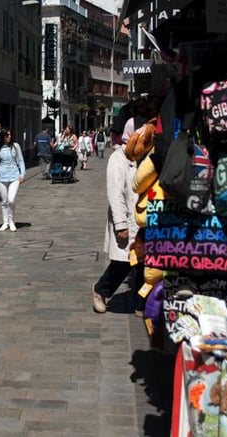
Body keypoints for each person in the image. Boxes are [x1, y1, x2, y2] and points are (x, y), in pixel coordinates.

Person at [92, 123, 138, 314]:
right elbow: (115, 193)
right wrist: (121, 224)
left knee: (142, 262)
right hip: (127, 218)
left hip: (143, 218)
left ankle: (142, 304)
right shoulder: (118, 158)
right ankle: (100, 290)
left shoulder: (145, 156)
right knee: (123, 263)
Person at [0, 128, 26, 231]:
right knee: (4, 201)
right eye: (7, 135)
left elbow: (21, 160)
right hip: (2, 176)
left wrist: (22, 174)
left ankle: (11, 221)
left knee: (11, 200)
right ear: (2, 137)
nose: (9, 137)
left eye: (10, 135)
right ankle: (5, 222)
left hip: (14, 175)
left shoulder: (15, 146)